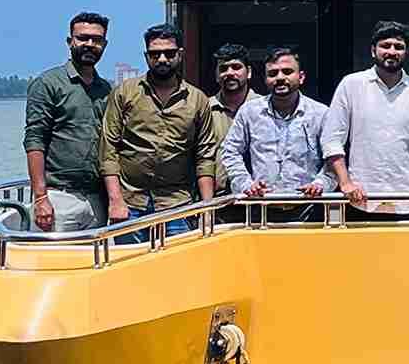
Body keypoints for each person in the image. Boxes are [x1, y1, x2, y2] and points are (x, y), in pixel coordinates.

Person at [99, 25, 218, 236]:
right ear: (146, 57)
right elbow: (108, 150)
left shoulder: (197, 99)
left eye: (169, 53)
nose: (162, 59)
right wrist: (115, 200)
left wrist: (207, 208)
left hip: (177, 204)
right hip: (130, 203)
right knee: (129, 265)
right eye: (155, 54)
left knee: (178, 267)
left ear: (180, 54)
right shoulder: (125, 92)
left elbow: (205, 157)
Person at [324, 20, 409, 219]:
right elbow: (332, 139)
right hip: (360, 198)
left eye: (399, 47)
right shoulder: (351, 84)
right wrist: (345, 183)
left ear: (406, 53)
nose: (392, 51)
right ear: (373, 51)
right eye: (385, 46)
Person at [23, 11, 112, 232]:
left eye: (97, 40)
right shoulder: (48, 84)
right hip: (58, 199)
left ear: (105, 44)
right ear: (70, 41)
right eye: (82, 38)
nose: (90, 44)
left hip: (97, 200)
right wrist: (41, 198)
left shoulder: (107, 90)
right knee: (55, 264)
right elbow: (35, 140)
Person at [221, 46, 335, 209]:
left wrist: (320, 184)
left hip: (309, 208)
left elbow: (335, 156)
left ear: (301, 77)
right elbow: (230, 151)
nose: (280, 78)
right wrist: (246, 184)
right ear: (265, 79)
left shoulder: (321, 113)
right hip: (260, 208)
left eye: (287, 72)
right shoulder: (249, 112)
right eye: (273, 74)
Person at [207, 42, 258, 196]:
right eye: (223, 69)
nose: (229, 73)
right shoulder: (204, 110)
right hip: (217, 199)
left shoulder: (264, 109)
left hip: (258, 197)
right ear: (216, 75)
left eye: (236, 67)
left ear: (248, 72)